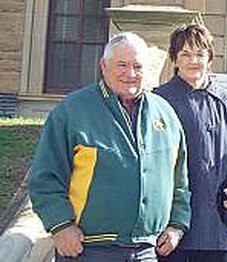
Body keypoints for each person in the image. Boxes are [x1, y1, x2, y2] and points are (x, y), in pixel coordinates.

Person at [29, 32, 190, 262]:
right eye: (122, 65)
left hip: (147, 250)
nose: (130, 73)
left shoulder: (165, 114)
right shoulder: (72, 111)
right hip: (87, 249)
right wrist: (60, 225)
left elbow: (180, 182)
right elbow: (45, 177)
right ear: (104, 66)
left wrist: (177, 226)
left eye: (137, 66)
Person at [154, 22, 227, 262]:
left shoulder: (226, 103)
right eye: (185, 54)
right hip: (171, 231)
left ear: (210, 58)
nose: (193, 61)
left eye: (200, 54)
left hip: (216, 228)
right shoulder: (158, 101)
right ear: (174, 59)